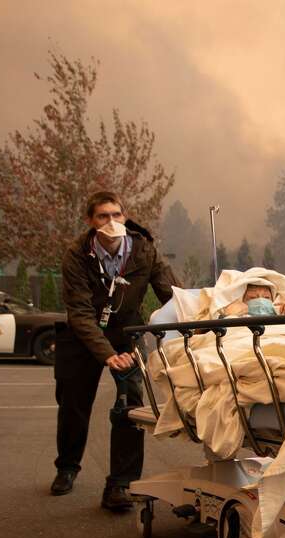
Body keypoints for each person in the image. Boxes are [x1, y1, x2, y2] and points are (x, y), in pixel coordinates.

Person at [51, 191, 180, 510]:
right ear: (90, 222)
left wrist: (199, 321)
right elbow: (79, 312)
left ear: (125, 216)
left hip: (126, 332)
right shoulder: (76, 254)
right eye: (102, 217)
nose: (111, 222)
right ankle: (67, 466)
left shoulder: (143, 250)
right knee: (73, 403)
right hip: (82, 334)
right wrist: (106, 354)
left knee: (130, 405)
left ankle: (120, 485)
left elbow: (172, 294)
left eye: (116, 215)